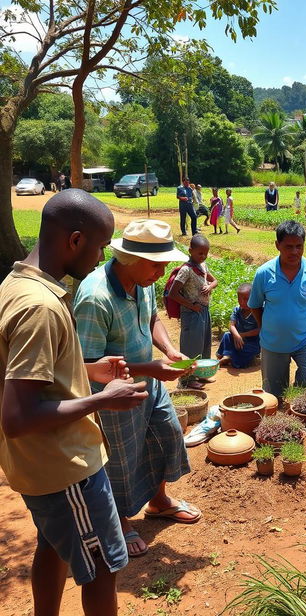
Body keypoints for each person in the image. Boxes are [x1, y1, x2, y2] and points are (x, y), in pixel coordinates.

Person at [0, 190, 148, 616]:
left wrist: (86, 373)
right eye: (100, 247)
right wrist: (101, 399)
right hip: (66, 467)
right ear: (76, 240)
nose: (101, 259)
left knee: (55, 545)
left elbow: (32, 378)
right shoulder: (40, 307)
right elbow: (18, 415)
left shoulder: (17, 283)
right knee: (102, 565)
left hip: (40, 465)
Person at [74, 219, 202, 560]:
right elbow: (90, 366)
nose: (161, 272)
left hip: (149, 380)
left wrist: (169, 352)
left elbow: (153, 319)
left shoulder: (142, 281)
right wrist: (151, 368)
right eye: (156, 264)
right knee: (121, 457)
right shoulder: (94, 297)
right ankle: (121, 518)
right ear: (129, 258)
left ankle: (158, 502)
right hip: (113, 395)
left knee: (166, 434)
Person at [249, 220, 306, 398]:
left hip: (305, 339)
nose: (294, 252)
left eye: (299, 246)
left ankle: (299, 403)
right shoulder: (263, 273)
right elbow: (255, 305)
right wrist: (265, 325)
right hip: (273, 342)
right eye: (288, 246)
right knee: (273, 395)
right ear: (277, 245)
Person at [167, 234, 217, 389]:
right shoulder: (186, 270)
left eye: (205, 253)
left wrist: (210, 286)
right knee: (191, 347)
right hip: (191, 312)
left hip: (203, 310)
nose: (203, 256)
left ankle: (201, 375)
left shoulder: (203, 266)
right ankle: (186, 380)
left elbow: (214, 280)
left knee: (203, 345)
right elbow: (173, 293)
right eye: (200, 253)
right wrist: (191, 305)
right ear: (190, 251)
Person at [216, 283, 261, 368]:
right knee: (227, 335)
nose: (242, 302)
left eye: (246, 299)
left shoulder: (257, 311)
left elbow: (260, 329)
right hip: (238, 340)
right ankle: (227, 356)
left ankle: (230, 357)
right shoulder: (237, 310)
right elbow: (231, 325)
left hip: (252, 342)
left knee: (242, 360)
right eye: (239, 299)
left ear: (253, 299)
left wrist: (243, 335)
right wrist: (237, 335)